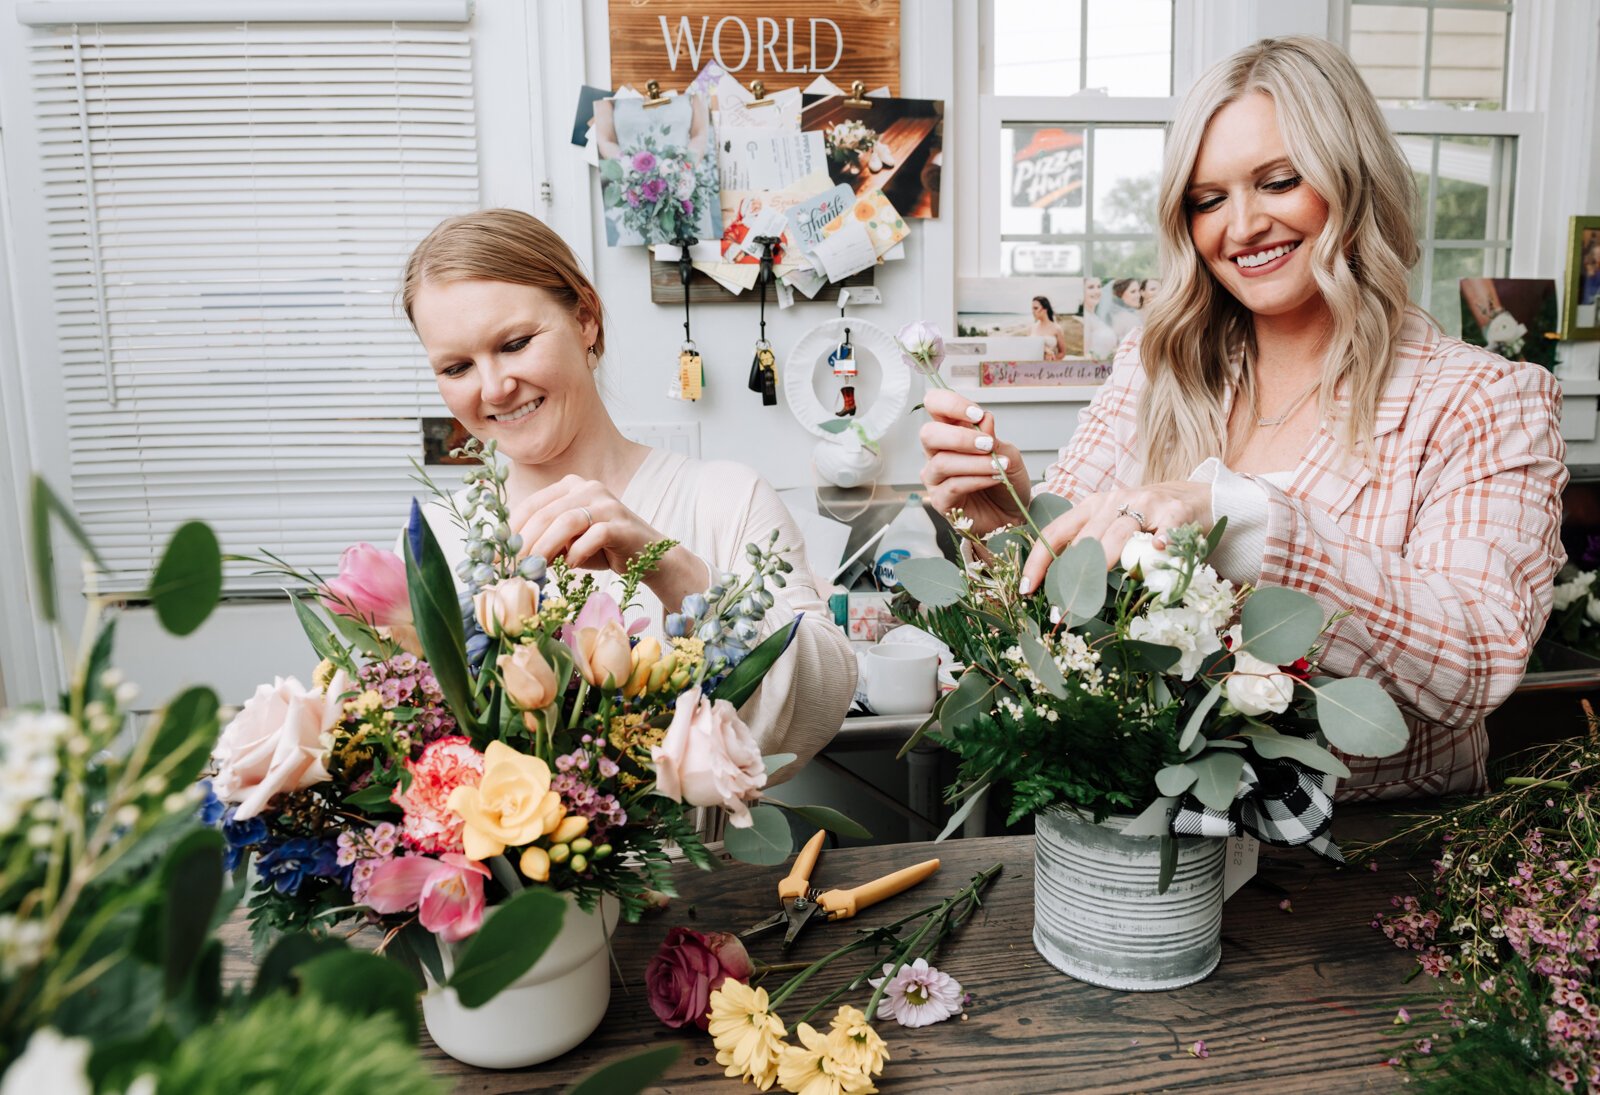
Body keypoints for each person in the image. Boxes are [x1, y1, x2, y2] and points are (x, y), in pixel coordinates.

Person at [918, 36, 1566, 800]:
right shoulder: (1153, 370)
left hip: (1375, 875)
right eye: (1209, 199)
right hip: (1153, 859)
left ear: (1352, 178)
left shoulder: (1480, 400)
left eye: (1279, 181)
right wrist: (1011, 525)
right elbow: (1068, 619)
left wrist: (1240, 518)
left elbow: (1474, 658)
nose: (1243, 225)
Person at [401, 209, 856, 788]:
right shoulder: (434, 542)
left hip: (702, 874)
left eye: (514, 344)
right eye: (457, 366)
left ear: (585, 319)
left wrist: (672, 569)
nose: (492, 388)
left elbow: (822, 703)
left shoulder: (725, 498)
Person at [1081, 277, 1120, 362]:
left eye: (1099, 287)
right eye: (1091, 287)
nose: (1097, 291)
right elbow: (1085, 354)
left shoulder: (1096, 318)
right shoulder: (1085, 319)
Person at [1030, 295, 1068, 361]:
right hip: (1033, 365)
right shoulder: (1032, 327)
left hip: (1049, 367)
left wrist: (1052, 361)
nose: (1033, 311)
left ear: (1045, 309)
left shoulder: (1056, 328)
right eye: (1032, 309)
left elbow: (1062, 353)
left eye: (1036, 308)